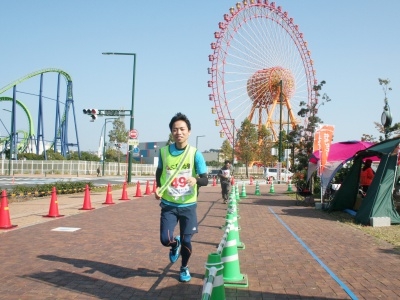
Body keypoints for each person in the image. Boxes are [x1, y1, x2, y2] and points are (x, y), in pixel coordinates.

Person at [155, 112, 208, 282]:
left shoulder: (195, 154)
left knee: (187, 240)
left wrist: (196, 180)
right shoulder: (163, 152)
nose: (179, 132)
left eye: (182, 129)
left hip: (188, 204)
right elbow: (159, 172)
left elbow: (205, 179)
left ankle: (184, 267)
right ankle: (173, 244)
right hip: (169, 204)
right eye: (175, 129)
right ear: (171, 132)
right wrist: (159, 188)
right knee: (165, 239)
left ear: (189, 131)